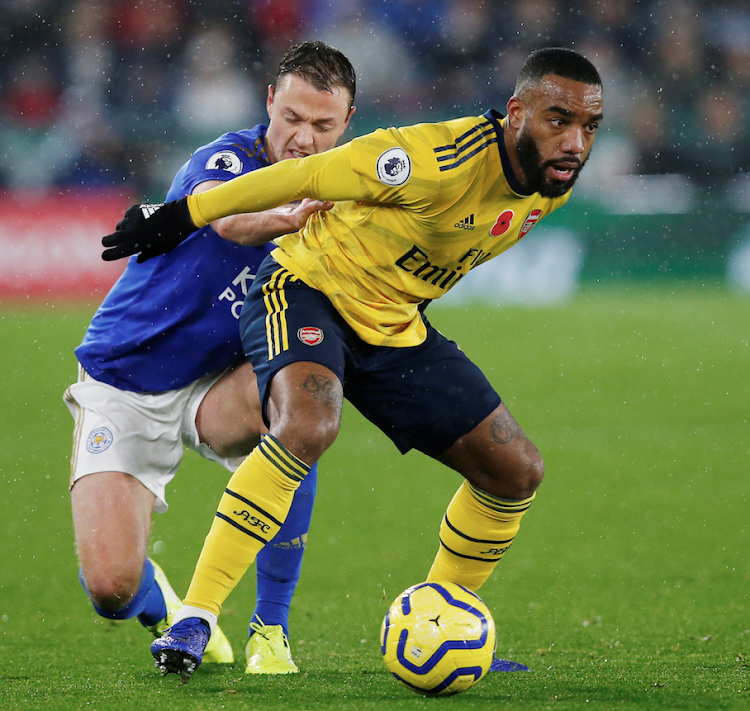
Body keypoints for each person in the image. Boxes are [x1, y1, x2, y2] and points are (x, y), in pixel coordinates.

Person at [101, 47, 604, 681]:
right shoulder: (429, 158)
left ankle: (441, 617)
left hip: (394, 326)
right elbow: (304, 177)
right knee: (308, 425)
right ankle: (195, 616)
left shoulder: (551, 184)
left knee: (514, 471)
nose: (576, 142)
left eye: (589, 127)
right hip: (306, 288)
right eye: (559, 121)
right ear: (515, 114)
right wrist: (180, 214)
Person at [65, 40, 356, 675]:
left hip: (217, 387)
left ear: (347, 124)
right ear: (271, 103)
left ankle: (270, 628)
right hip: (125, 382)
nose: (303, 139)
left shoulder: (346, 188)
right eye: (293, 120)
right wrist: (289, 218)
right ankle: (163, 603)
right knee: (111, 590)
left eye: (323, 126)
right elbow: (229, 221)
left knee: (301, 403)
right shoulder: (226, 158)